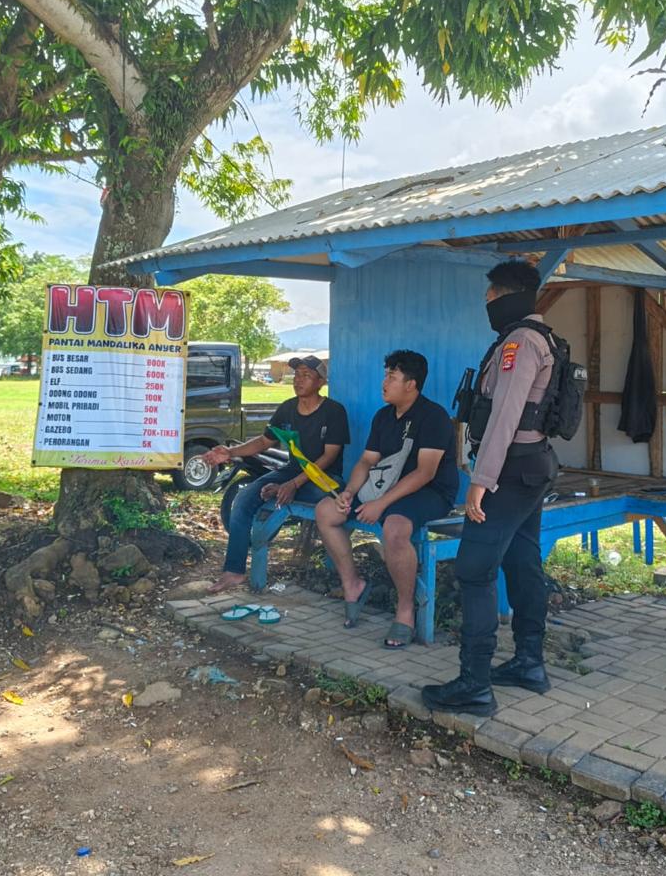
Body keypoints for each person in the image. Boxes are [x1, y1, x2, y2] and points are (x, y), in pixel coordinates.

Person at [422, 260, 559, 716]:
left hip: (511, 471)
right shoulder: (542, 338)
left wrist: (481, 481)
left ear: (508, 296)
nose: (487, 306)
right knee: (522, 560)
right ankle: (529, 663)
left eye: (490, 298)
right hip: (531, 466)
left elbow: (505, 416)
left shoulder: (519, 343)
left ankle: (474, 684)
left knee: (474, 568)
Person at [314, 350, 458, 648]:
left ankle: (405, 610)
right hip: (384, 486)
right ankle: (353, 584)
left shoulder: (434, 417)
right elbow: (367, 461)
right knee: (326, 511)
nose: (384, 383)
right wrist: (350, 492)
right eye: (385, 375)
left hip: (430, 492)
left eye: (392, 377)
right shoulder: (383, 416)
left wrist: (380, 504)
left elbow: (425, 472)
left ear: (411, 384)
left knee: (394, 527)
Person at [203, 355, 349, 594]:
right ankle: (234, 571)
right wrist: (230, 452)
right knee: (243, 499)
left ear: (321, 382)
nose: (298, 380)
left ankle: (279, 491)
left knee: (312, 493)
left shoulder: (334, 411)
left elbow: (329, 456)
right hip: (292, 471)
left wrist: (293, 484)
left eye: (306, 375)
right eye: (297, 374)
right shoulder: (287, 408)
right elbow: (264, 441)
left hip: (324, 477)